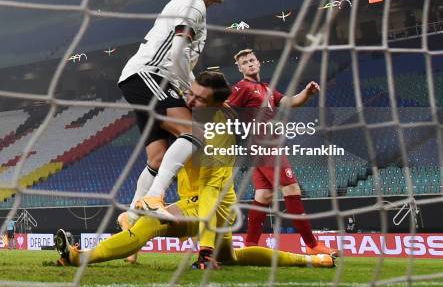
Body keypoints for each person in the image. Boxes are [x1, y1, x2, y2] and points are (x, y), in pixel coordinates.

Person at [55, 72, 334, 270]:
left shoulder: (219, 134)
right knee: (232, 258)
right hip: (199, 203)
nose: (189, 101)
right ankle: (311, 259)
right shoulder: (189, 115)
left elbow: (211, 193)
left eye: (199, 100)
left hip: (213, 208)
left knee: (151, 223)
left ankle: (78, 257)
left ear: (216, 105)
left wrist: (205, 248)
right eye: (191, 92)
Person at [118, 0, 230, 219]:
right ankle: (154, 198)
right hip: (151, 75)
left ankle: (131, 220)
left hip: (143, 78)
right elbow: (178, 50)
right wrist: (192, 90)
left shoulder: (191, 5)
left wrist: (202, 92)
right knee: (195, 132)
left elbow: (182, 60)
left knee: (157, 158)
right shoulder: (194, 4)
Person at [228, 49, 337, 257]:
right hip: (263, 145)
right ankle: (312, 244)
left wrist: (307, 93)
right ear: (240, 68)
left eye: (252, 60)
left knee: (264, 194)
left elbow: (290, 102)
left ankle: (250, 245)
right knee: (292, 188)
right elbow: (229, 109)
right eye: (245, 62)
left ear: (258, 63)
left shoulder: (266, 88)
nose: (249, 64)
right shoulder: (242, 87)